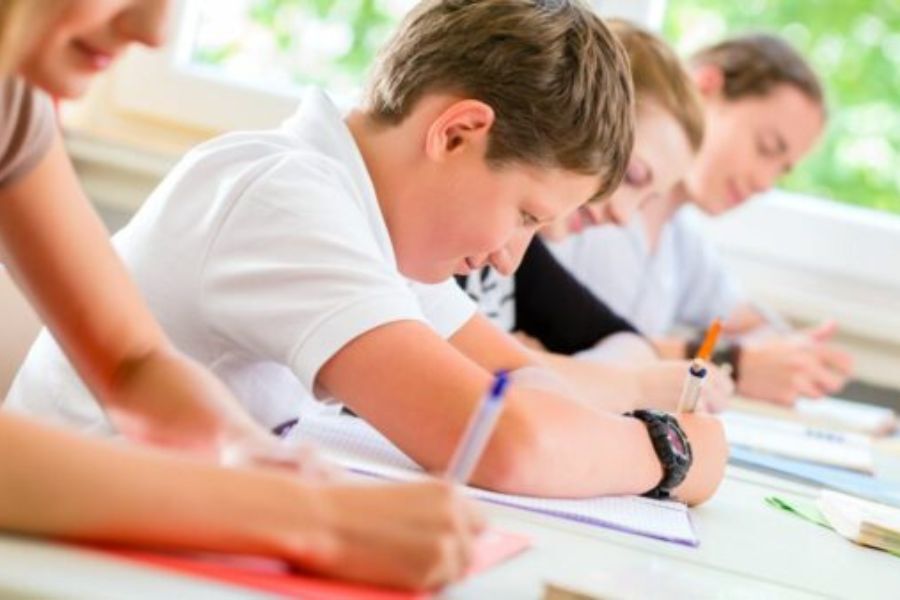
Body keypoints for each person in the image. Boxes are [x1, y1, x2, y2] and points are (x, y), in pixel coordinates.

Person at [9, 0, 728, 504]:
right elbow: (497, 439)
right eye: (524, 215)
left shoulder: (376, 223)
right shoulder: (288, 197)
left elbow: (519, 379)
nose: (513, 259)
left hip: (163, 517)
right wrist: (672, 452)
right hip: (74, 543)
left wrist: (584, 420)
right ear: (454, 134)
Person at [0, 0, 482, 590]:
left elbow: (132, 360)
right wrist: (309, 519)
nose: (154, 32)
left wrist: (245, 451)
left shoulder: (14, 100)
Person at [549, 33, 854, 405]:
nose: (763, 183)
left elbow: (755, 324)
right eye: (766, 148)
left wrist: (784, 355)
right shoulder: (583, 208)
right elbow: (556, 342)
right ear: (705, 87)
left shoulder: (680, 240)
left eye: (781, 170)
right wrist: (731, 361)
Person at [458, 19, 733, 414]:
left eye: (647, 200)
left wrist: (552, 370)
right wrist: (620, 385)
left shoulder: (523, 252)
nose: (623, 216)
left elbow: (632, 344)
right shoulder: (446, 239)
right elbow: (460, 367)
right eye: (632, 176)